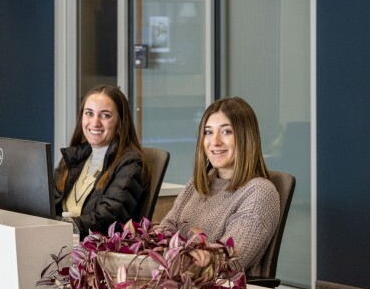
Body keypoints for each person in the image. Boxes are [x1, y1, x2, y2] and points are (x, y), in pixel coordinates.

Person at [159, 97, 280, 276]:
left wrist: (182, 230)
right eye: (208, 132)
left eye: (226, 132)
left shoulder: (259, 193)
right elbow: (162, 236)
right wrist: (194, 236)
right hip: (177, 283)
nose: (214, 141)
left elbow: (222, 263)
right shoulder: (197, 184)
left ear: (246, 137)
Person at [54, 85, 150, 239]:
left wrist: (56, 226)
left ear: (120, 121)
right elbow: (47, 203)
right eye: (89, 113)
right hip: (60, 241)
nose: (95, 122)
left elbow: (106, 219)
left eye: (105, 115)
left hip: (94, 250)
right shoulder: (74, 157)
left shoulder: (130, 164)